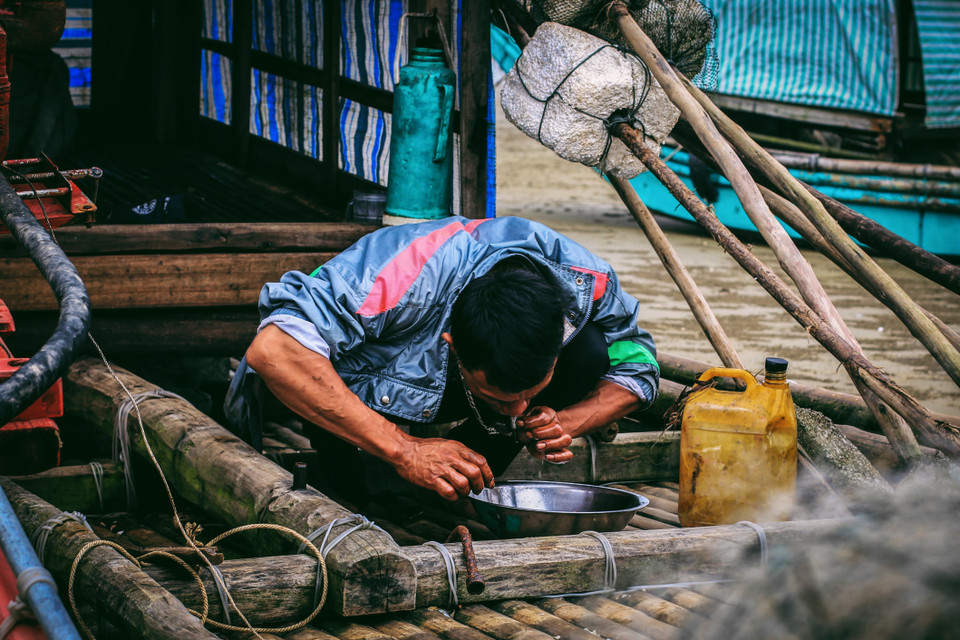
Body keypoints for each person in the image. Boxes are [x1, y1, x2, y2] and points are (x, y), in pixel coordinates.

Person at [224, 216, 659, 502]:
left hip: (434, 386)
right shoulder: (401, 276)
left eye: (530, 394)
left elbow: (640, 364)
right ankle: (354, 480)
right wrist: (404, 449)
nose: (518, 413)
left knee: (593, 351)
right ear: (452, 345)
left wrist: (571, 420)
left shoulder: (587, 280)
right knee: (314, 373)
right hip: (360, 380)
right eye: (500, 396)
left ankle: (456, 486)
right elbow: (274, 351)